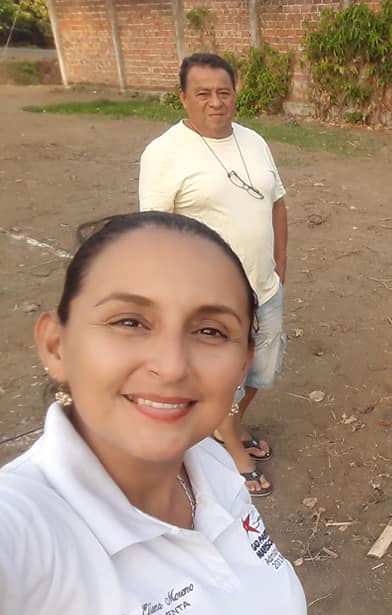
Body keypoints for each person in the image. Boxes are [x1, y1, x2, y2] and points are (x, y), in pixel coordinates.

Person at [0, 212, 315, 615]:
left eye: (210, 331)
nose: (170, 367)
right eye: (129, 322)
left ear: (242, 363)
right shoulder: (27, 533)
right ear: (56, 346)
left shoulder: (208, 464)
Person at [140, 52, 287, 497]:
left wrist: (279, 268)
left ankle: (229, 428)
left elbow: (277, 203)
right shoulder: (164, 154)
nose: (216, 102)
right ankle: (235, 454)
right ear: (183, 97)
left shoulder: (254, 140)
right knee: (223, 379)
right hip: (211, 300)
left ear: (235, 94)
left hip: (265, 288)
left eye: (224, 92)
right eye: (203, 93)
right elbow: (156, 235)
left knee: (260, 372)